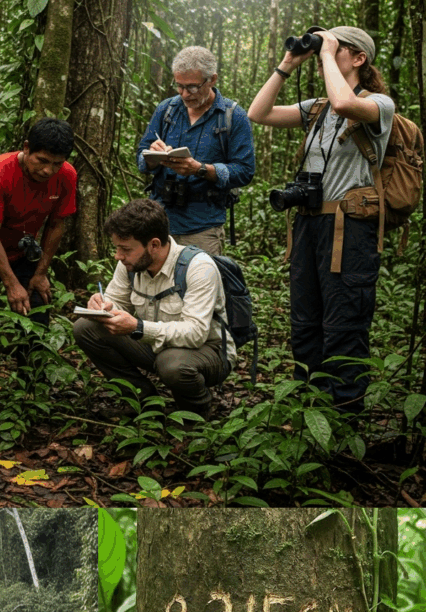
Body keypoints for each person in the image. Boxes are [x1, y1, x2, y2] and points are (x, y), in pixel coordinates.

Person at [248, 27, 394, 412]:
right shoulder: (317, 108)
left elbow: (344, 103)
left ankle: (345, 417)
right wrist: (287, 64)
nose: (323, 53)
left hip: (350, 228)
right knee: (305, 323)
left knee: (344, 325)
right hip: (308, 224)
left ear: (359, 58)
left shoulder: (378, 104)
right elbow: (258, 113)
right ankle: (308, 410)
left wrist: (326, 52)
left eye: (337, 47)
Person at [73, 198, 232, 422]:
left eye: (125, 249)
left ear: (154, 245)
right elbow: (116, 300)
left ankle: (197, 411)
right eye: (117, 248)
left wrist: (137, 327)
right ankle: (143, 402)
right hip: (158, 345)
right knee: (86, 328)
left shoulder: (199, 268)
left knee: (172, 364)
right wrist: (103, 306)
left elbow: (196, 334)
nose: (118, 256)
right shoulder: (130, 264)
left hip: (209, 351)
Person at [0, 118, 77, 379]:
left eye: (57, 163)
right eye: (42, 160)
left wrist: (40, 273)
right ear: (27, 148)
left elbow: (56, 225)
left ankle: (32, 381)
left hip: (22, 249)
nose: (48, 170)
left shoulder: (66, 176)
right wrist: (11, 284)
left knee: (36, 306)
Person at [137, 46, 255, 255]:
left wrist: (200, 169)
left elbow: (244, 171)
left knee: (200, 276)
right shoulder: (166, 110)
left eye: (192, 87)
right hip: (159, 221)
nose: (184, 94)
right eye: (179, 86)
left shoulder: (233, 116)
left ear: (212, 80)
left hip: (203, 225)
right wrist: (152, 156)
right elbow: (141, 156)